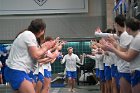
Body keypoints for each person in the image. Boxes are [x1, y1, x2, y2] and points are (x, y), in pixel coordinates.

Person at [4, 19, 57, 93]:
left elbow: (38, 56)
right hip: (16, 70)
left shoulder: (29, 36)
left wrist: (46, 48)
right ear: (41, 30)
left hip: (18, 70)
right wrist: (46, 47)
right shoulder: (29, 35)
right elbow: (36, 55)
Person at [105, 18, 140, 93]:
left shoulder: (137, 39)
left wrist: (113, 49)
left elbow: (128, 57)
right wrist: (114, 45)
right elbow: (126, 53)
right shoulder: (135, 38)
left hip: (135, 70)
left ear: (128, 28)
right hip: (132, 69)